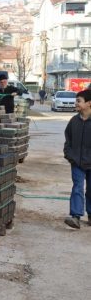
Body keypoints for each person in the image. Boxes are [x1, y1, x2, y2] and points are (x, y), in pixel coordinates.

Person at [62, 89, 91, 229]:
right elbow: (68, 139)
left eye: (79, 101)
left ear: (89, 103)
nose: (76, 103)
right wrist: (69, 154)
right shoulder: (74, 121)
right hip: (77, 162)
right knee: (77, 188)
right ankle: (75, 216)